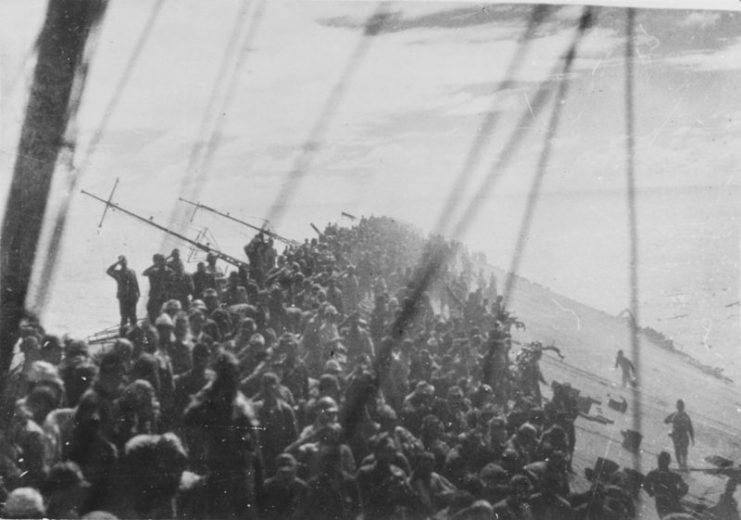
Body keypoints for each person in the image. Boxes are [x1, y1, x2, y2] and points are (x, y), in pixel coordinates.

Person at [644, 451, 689, 518]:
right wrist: (652, 493)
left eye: (661, 460)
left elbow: (685, 487)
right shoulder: (672, 475)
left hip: (667, 504)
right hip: (667, 504)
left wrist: (652, 493)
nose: (660, 462)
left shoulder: (654, 474)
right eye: (660, 460)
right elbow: (645, 485)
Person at [106, 255, 140, 336]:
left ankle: (135, 334)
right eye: (122, 261)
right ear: (120, 263)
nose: (124, 262)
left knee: (133, 316)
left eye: (125, 260)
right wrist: (117, 262)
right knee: (124, 317)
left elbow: (136, 283)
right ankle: (123, 334)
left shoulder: (132, 271)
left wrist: (138, 294)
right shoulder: (118, 273)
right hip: (123, 297)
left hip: (132, 297)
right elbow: (108, 271)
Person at [664, 399, 694, 470]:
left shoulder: (686, 416)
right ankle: (680, 465)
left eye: (681, 406)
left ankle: (684, 464)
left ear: (683, 407)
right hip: (676, 434)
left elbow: (690, 427)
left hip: (684, 435)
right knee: (677, 450)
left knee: (684, 450)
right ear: (677, 406)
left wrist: (692, 438)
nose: (680, 407)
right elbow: (665, 421)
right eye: (679, 405)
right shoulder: (674, 414)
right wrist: (671, 421)